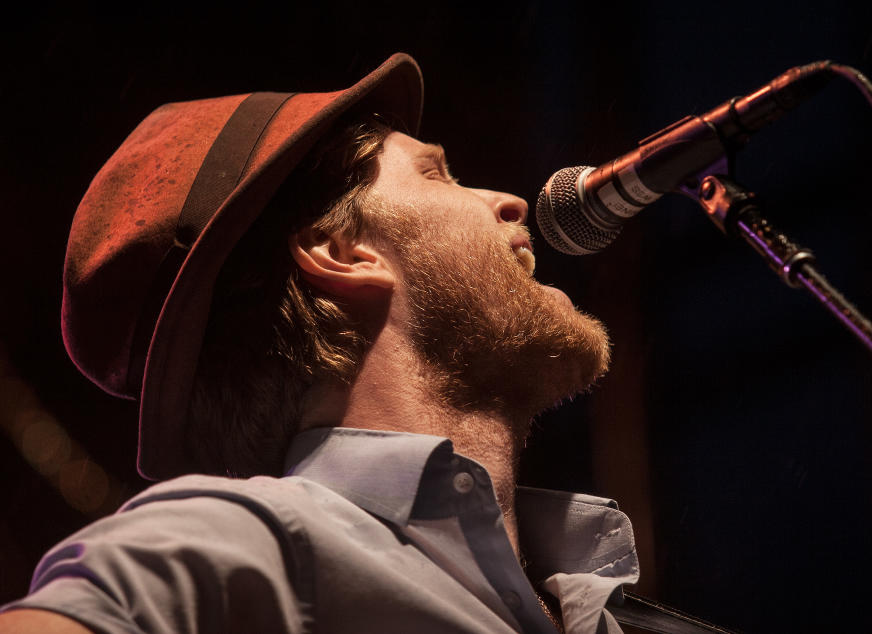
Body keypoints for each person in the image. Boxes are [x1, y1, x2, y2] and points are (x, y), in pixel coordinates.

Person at [0, 53, 640, 633]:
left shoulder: (590, 607)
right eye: (438, 175)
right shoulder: (241, 546)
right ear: (342, 252)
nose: (508, 202)